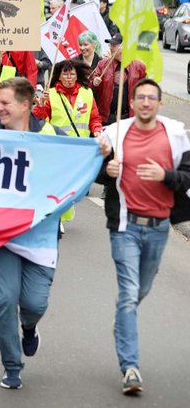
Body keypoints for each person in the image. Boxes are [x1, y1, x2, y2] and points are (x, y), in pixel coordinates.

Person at [97, 79, 190, 395]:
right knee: (129, 291)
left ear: (160, 104)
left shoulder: (175, 136)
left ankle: (123, 323)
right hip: (125, 227)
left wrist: (165, 176)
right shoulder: (117, 133)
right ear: (132, 103)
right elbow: (96, 171)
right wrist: (107, 168)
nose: (146, 102)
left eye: (152, 98)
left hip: (160, 226)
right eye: (141, 98)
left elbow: (187, 177)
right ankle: (130, 368)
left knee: (142, 289)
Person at [0, 77, 65, 389]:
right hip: (2, 237)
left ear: (25, 104)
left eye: (5, 103)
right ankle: (12, 364)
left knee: (34, 304)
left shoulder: (51, 135)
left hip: (41, 236)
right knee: (3, 300)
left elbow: (85, 163)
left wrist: (101, 150)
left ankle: (29, 327)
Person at [35, 60, 103, 138]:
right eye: (65, 74)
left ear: (77, 76)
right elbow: (39, 122)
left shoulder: (87, 92)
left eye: (72, 74)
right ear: (59, 77)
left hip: (82, 143)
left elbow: (94, 118)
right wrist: (40, 106)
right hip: (59, 143)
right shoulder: (49, 94)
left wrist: (97, 130)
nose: (69, 77)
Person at [91, 34, 147, 125]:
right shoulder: (103, 65)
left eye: (114, 45)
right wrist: (94, 83)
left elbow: (145, 90)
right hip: (107, 117)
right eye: (110, 45)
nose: (111, 48)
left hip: (128, 117)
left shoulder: (138, 66)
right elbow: (92, 87)